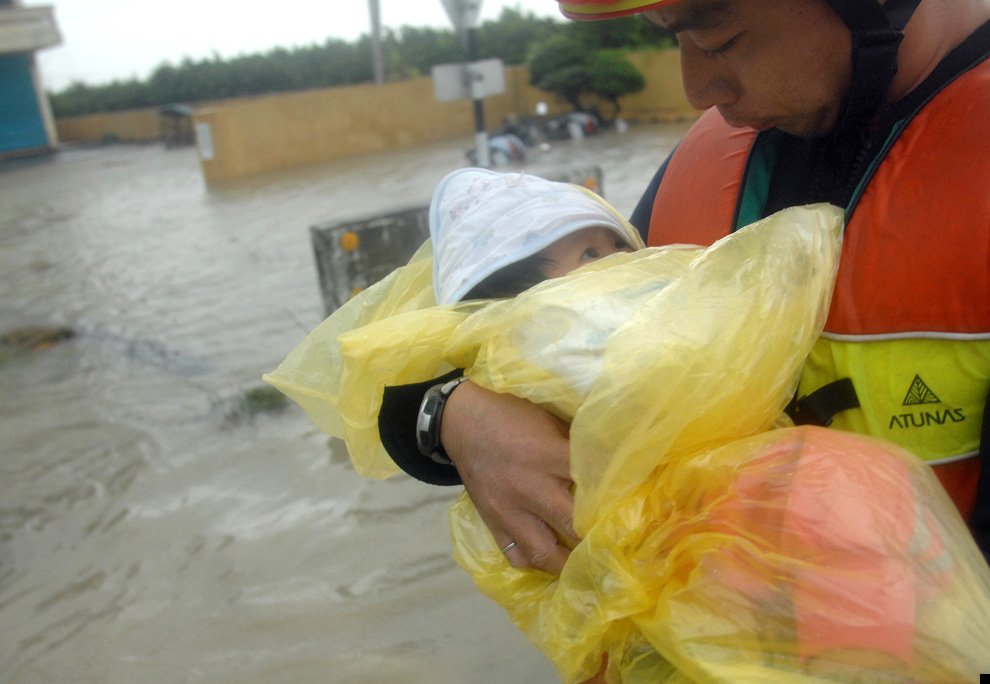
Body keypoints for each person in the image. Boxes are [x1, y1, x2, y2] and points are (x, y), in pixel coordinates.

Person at [374, 0, 990, 574]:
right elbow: (474, 326)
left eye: (718, 39)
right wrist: (455, 414)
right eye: (676, 40)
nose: (698, 91)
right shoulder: (722, 159)